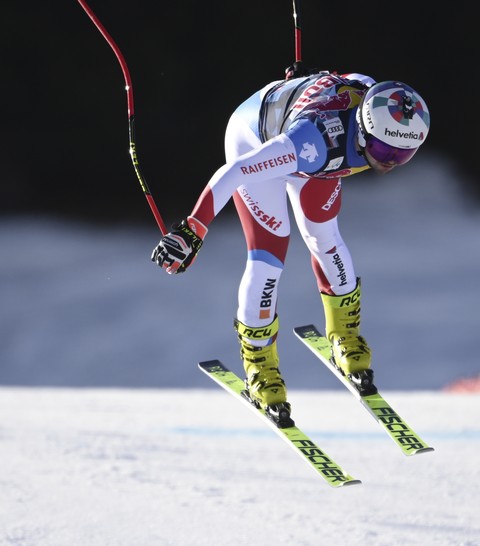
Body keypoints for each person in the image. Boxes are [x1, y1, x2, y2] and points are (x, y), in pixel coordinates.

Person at [151, 63, 430, 424]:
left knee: (325, 237)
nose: (389, 162)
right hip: (258, 139)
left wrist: (305, 83)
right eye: (382, 149)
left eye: (402, 155)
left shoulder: (375, 102)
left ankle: (345, 336)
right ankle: (260, 366)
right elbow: (234, 173)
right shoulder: (310, 141)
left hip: (320, 158)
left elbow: (348, 79)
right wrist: (193, 228)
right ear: (364, 129)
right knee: (269, 257)